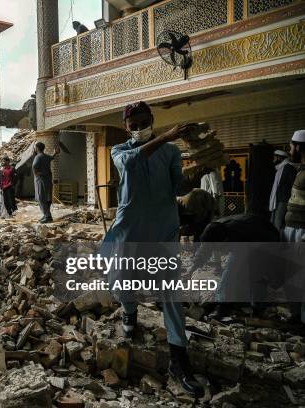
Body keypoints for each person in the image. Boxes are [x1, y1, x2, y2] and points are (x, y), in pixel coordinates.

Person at [102, 101, 204, 397]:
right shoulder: (119, 152)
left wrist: (197, 174)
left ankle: (179, 359)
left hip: (163, 231)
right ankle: (129, 311)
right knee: (122, 283)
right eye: (132, 125)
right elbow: (133, 162)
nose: (138, 128)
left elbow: (178, 188)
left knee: (172, 295)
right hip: (131, 232)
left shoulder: (171, 153)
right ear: (126, 127)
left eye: (143, 122)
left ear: (152, 120)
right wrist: (167, 136)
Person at [188, 213, 280, 320]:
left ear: (225, 241)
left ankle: (255, 307)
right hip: (250, 231)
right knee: (237, 269)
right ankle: (230, 302)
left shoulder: (239, 235)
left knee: (251, 272)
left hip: (265, 238)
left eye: (218, 247)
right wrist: (192, 269)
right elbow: (204, 250)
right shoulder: (212, 231)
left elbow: (235, 268)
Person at [284, 130, 305, 243]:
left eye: (291, 148)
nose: (290, 151)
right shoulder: (300, 170)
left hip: (301, 232)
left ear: (298, 147)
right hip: (294, 229)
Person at [269, 148, 298, 231]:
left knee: (277, 221)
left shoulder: (289, 168)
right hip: (277, 198)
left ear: (280, 158)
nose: (274, 159)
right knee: (273, 221)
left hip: (284, 199)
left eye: (275, 157)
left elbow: (293, 184)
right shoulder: (279, 169)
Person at [33, 142, 60, 223]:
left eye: (35, 147)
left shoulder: (38, 157)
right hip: (48, 179)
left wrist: (37, 174)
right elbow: (51, 157)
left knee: (41, 198)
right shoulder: (45, 156)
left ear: (37, 148)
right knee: (48, 198)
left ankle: (47, 216)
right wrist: (55, 152)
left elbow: (34, 166)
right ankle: (46, 215)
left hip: (41, 180)